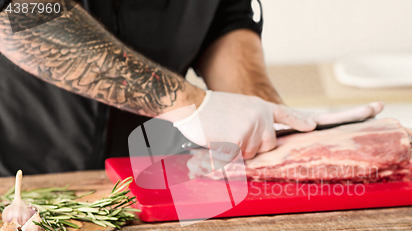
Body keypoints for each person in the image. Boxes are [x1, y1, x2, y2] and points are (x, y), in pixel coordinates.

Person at [0, 0, 383, 177]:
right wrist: (190, 105)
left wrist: (266, 119)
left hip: (145, 181)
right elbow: (21, 14)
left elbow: (225, 18)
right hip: (19, 180)